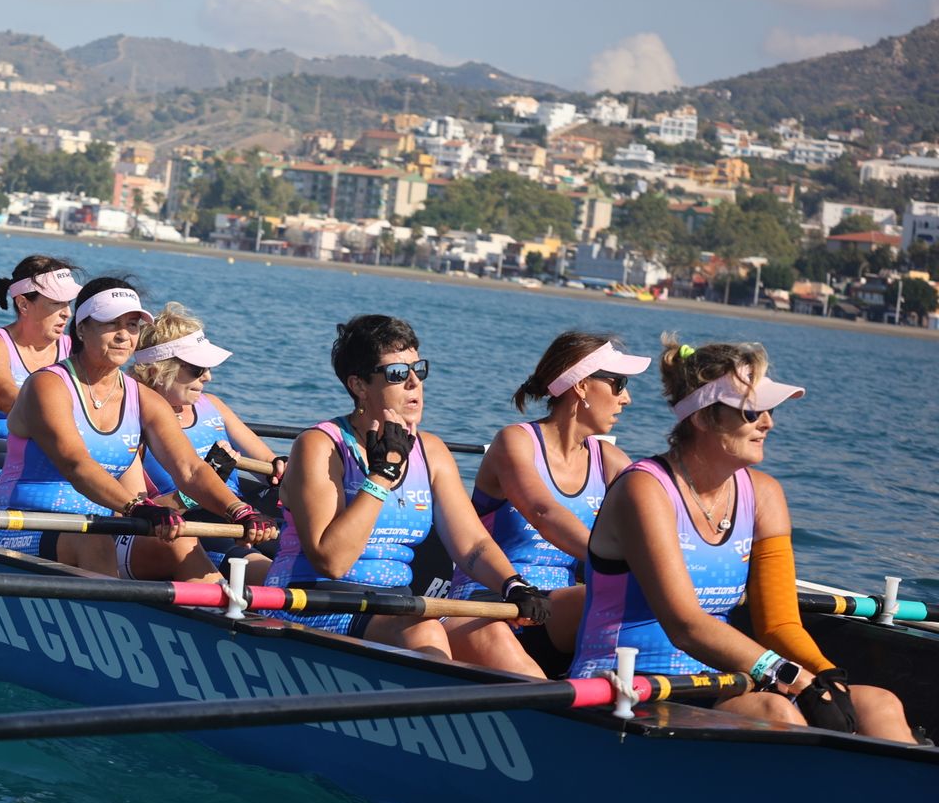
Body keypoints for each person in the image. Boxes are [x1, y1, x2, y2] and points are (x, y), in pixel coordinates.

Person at [571, 337, 914, 741]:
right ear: (702, 418)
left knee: (880, 704)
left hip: (717, 683)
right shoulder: (645, 490)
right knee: (775, 710)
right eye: (752, 412)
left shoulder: (765, 495)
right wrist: (792, 678)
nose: (768, 423)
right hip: (623, 683)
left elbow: (779, 624)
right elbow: (685, 625)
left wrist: (825, 676)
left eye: (770, 410)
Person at [264, 315, 546, 676]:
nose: (414, 382)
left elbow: (472, 545)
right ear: (359, 385)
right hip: (315, 602)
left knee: (492, 635)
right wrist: (382, 474)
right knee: (423, 631)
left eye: (419, 369)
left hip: (394, 606)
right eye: (397, 373)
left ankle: (550, 710)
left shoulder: (432, 451)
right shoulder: (320, 446)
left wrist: (513, 585)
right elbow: (331, 561)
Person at [0, 277, 277, 579]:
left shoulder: (144, 399)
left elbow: (189, 469)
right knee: (93, 541)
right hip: (19, 525)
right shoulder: (48, 385)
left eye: (133, 325)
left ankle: (219, 604)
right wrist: (137, 506)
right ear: (82, 329)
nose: (124, 335)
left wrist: (238, 509)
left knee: (180, 541)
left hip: (105, 526)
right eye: (112, 323)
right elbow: (76, 463)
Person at [444, 331, 643, 673]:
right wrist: (613, 562)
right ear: (581, 385)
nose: (626, 398)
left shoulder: (610, 462)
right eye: (618, 384)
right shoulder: (515, 442)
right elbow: (542, 512)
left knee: (626, 598)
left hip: (552, 612)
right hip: (490, 603)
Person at [130, 302, 284, 580]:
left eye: (207, 368)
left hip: (244, 517)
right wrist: (208, 478)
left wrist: (285, 470)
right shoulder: (135, 423)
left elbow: (269, 465)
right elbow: (137, 512)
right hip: (191, 526)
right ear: (157, 371)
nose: (208, 377)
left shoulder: (213, 405)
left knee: (307, 559)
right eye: (196, 369)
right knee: (272, 574)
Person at [0, 255, 81, 506]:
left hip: (43, 460)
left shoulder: (73, 352)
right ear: (24, 304)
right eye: (56, 303)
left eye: (68, 303)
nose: (67, 313)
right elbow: (2, 396)